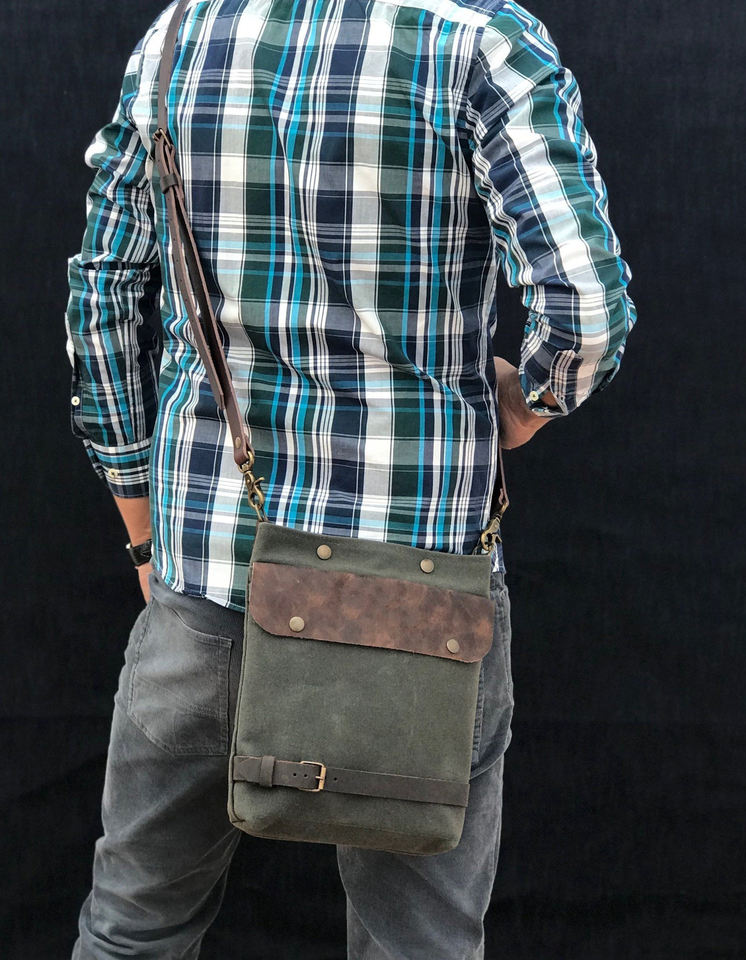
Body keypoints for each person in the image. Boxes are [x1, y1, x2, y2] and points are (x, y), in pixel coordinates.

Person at [64, 0, 637, 956]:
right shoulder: (479, 41)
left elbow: (102, 295)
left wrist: (141, 530)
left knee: (134, 928)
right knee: (418, 946)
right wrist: (522, 408)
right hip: (416, 604)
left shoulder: (179, 35)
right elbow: (585, 315)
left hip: (209, 581)